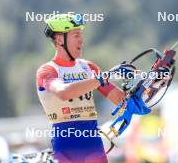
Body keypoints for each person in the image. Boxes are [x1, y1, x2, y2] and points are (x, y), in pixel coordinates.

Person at [36, 13, 125, 163]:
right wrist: (103, 77)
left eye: (81, 35)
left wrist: (154, 81)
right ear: (59, 39)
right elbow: (63, 92)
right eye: (76, 35)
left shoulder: (88, 67)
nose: (82, 40)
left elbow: (122, 102)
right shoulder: (47, 70)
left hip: (93, 145)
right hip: (65, 146)